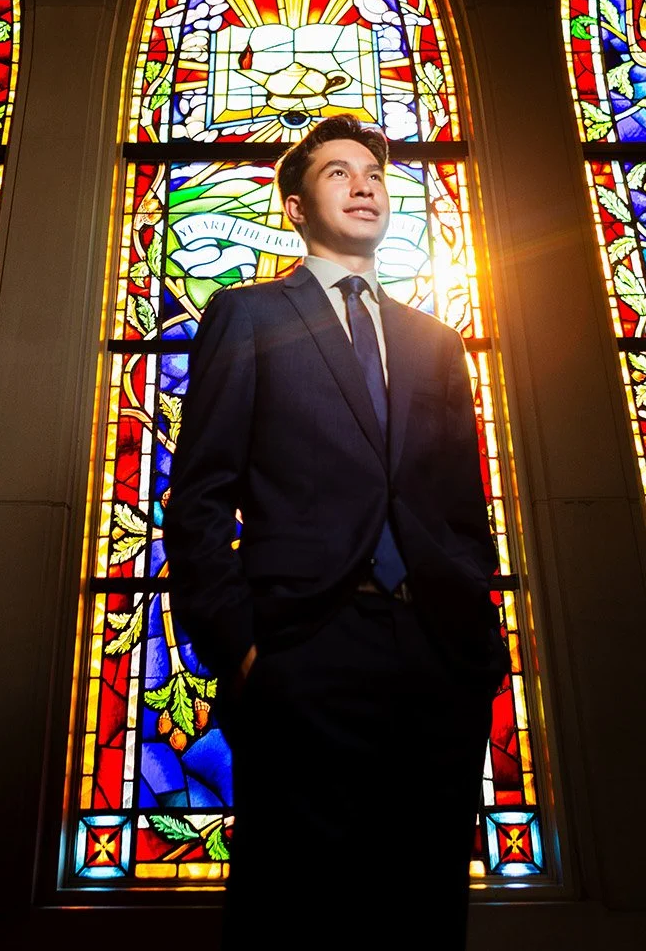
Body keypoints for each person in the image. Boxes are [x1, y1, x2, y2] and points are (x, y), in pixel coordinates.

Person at [164, 114, 507, 949]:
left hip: (436, 654)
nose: (364, 185)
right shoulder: (244, 316)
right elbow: (200, 495)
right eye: (338, 173)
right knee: (297, 909)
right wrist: (241, 648)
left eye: (376, 175)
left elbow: (463, 507)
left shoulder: (434, 341)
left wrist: (478, 647)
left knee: (423, 905)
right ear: (293, 205)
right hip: (304, 644)